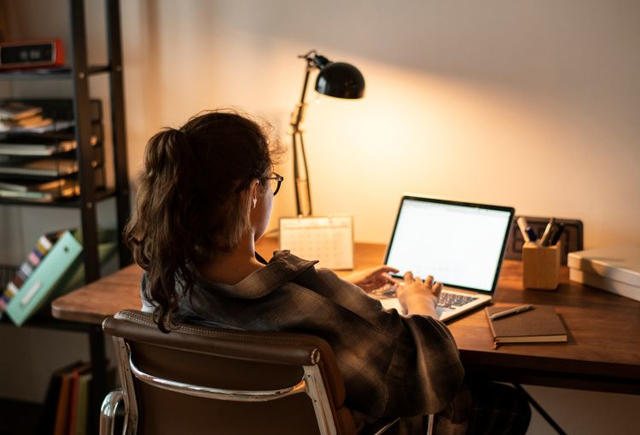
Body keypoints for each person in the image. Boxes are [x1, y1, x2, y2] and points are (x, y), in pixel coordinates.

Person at [124, 110, 530, 434]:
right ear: (252, 194)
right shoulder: (307, 299)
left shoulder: (161, 283)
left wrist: (342, 291)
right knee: (506, 406)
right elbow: (427, 370)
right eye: (270, 182)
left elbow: (251, 314)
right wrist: (419, 302)